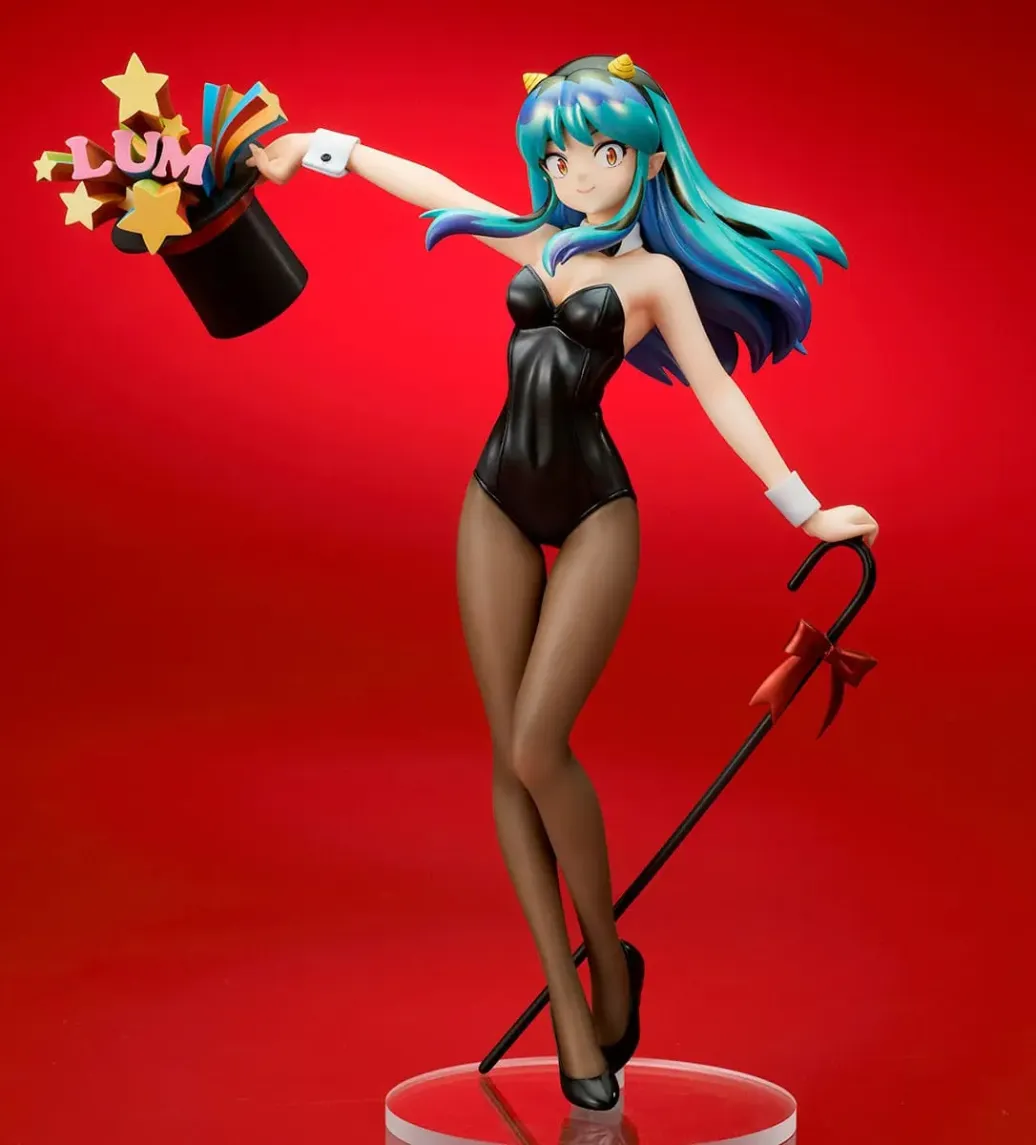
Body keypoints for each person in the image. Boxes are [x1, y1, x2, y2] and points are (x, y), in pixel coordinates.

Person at [246, 53, 879, 1112]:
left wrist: (804, 508)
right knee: (507, 758)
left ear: (647, 159)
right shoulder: (535, 239)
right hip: (494, 499)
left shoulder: (654, 278)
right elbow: (435, 191)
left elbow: (718, 392)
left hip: (594, 511)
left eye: (601, 151)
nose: (577, 172)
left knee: (540, 744)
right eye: (557, 156)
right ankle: (569, 1011)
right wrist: (318, 152)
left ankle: (607, 951)